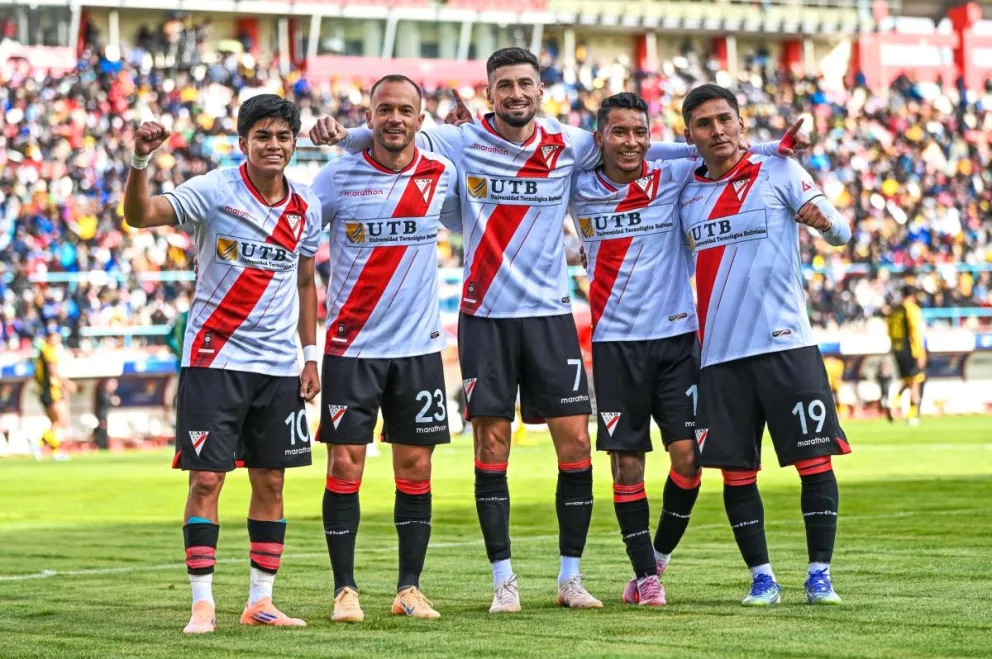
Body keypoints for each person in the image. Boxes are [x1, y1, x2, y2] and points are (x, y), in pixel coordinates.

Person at [311, 47, 713, 613]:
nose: (516, 94)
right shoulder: (459, 140)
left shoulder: (570, 143)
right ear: (490, 92)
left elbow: (650, 150)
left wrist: (745, 150)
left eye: (525, 83)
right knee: (491, 447)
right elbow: (389, 135)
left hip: (549, 317)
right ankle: (505, 580)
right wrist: (341, 136)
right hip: (485, 318)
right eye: (505, 85)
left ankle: (569, 578)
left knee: (575, 446)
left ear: (540, 89)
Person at [569, 92, 805, 607]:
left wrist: (779, 146)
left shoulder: (676, 177)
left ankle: (658, 558)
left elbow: (722, 147)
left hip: (678, 342)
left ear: (652, 138)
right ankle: (645, 578)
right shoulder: (577, 186)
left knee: (691, 459)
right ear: (600, 138)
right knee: (626, 465)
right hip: (614, 346)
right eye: (619, 132)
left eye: (640, 132)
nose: (630, 142)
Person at [123, 93, 323, 634]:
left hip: (279, 367)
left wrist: (310, 355)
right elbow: (139, 215)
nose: (273, 145)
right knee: (207, 479)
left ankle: (261, 600)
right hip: (214, 360)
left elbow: (306, 283)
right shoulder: (215, 189)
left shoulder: (307, 207)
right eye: (262, 136)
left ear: (294, 143)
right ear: (243, 143)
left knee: (272, 481)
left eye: (283, 136)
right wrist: (140, 160)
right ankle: (203, 603)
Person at [677, 84, 852, 606]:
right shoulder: (686, 192)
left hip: (787, 346)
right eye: (704, 124)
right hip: (720, 357)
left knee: (815, 462)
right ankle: (762, 577)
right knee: (736, 472)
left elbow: (840, 231)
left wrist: (825, 223)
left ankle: (820, 575)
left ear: (741, 123)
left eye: (725, 119)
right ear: (690, 136)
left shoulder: (780, 170)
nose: (718, 131)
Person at [311, 74, 460, 623]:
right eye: (383, 109)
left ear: (421, 119)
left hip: (419, 348)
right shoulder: (337, 175)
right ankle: (344, 591)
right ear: (368, 116)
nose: (394, 118)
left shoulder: (442, 173)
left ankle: (408, 589)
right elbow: (300, 242)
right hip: (352, 347)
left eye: (405, 109)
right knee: (345, 464)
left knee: (416, 464)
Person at [31, 325, 75, 461]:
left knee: (54, 422)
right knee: (62, 420)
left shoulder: (42, 351)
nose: (58, 338)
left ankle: (55, 452)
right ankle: (37, 443)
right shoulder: (48, 350)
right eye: (56, 336)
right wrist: (66, 383)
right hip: (51, 392)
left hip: (45, 391)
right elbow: (52, 370)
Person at [886, 285, 927, 426]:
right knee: (916, 380)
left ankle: (893, 402)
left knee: (908, 380)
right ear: (913, 296)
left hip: (897, 349)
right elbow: (915, 331)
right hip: (910, 349)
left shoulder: (894, 309)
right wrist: (919, 352)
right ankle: (912, 415)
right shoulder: (911, 309)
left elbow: (889, 329)